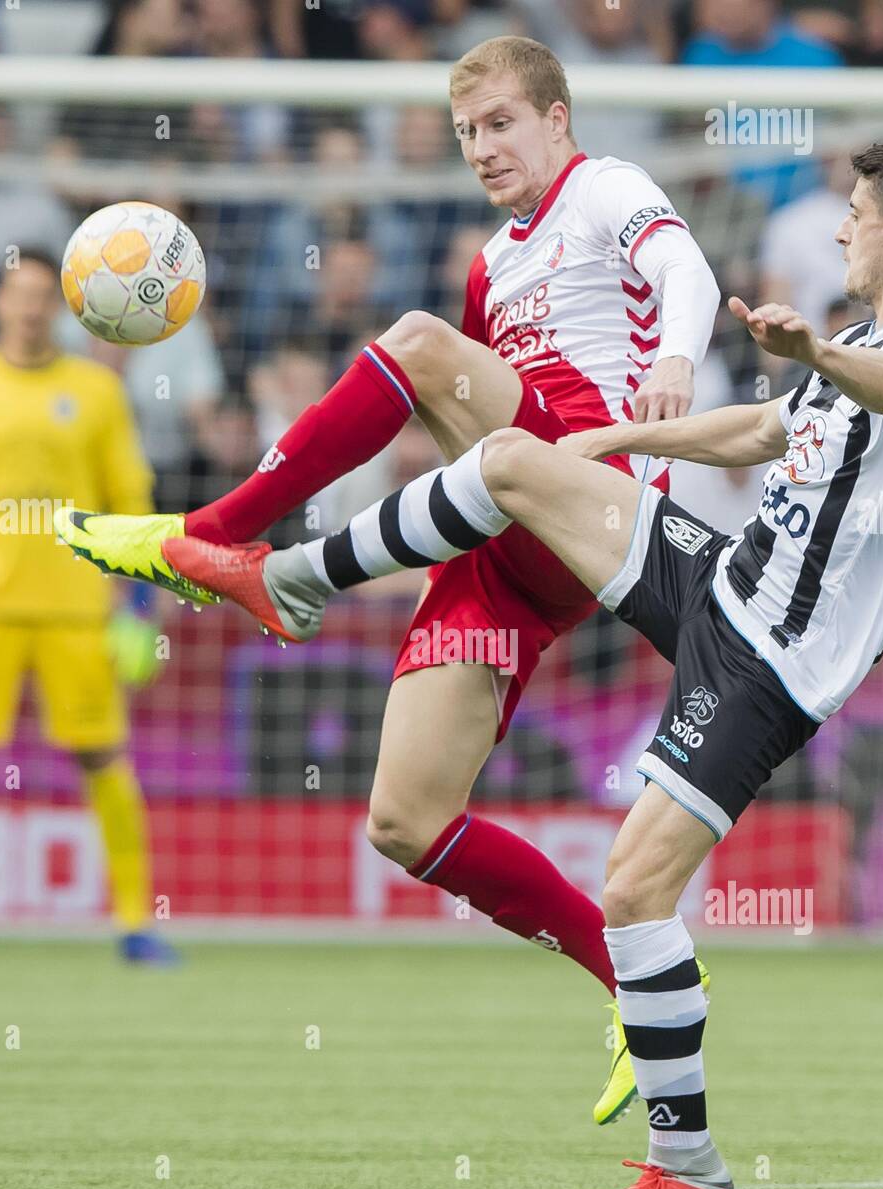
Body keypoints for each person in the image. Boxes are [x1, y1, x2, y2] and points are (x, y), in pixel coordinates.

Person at [153, 135, 883, 1189]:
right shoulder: (870, 335)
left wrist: (821, 354)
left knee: (635, 888)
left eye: (858, 211)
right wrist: (616, 437)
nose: (843, 228)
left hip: (771, 661)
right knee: (513, 463)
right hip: (719, 577)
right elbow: (756, 428)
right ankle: (297, 581)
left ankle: (684, 1169)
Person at [57, 36, 720, 1126]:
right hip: (499, 536)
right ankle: (637, 987)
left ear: (557, 118)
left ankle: (218, 538)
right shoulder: (491, 263)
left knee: (414, 339)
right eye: (467, 132)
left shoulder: (608, 189)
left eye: (502, 122)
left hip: (584, 494)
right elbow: (459, 404)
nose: (482, 147)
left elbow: (683, 270)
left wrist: (679, 359)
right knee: (405, 820)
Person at [0, 251, 175, 966]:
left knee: (102, 756)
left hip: (77, 609)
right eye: (18, 294)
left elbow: (130, 501)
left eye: (43, 296)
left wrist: (137, 606)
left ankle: (136, 924)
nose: (29, 308)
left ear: (61, 307)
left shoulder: (98, 392)